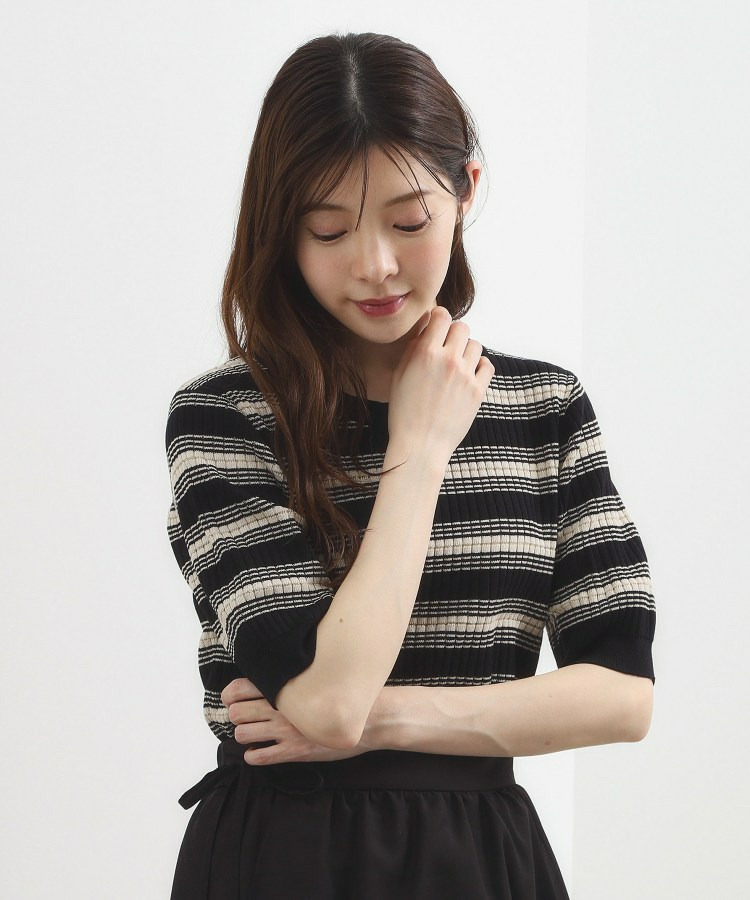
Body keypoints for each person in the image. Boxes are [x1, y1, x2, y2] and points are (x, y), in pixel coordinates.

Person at [164, 31, 656, 900]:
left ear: (465, 192)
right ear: (282, 229)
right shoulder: (227, 416)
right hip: (286, 854)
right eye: (328, 229)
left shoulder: (543, 407)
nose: (376, 265)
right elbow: (327, 700)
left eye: (409, 221)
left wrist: (388, 718)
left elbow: (622, 694)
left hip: (483, 856)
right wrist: (421, 449)